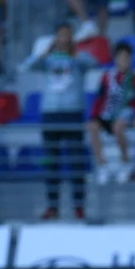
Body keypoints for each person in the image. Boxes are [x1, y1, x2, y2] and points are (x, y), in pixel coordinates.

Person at [19, 23, 99, 220]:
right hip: (50, 114)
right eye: (60, 36)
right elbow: (26, 66)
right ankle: (52, 207)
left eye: (67, 36)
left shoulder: (78, 60)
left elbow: (94, 63)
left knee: (76, 163)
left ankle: (79, 207)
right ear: (55, 38)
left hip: (73, 113)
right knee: (51, 162)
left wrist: (74, 52)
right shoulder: (47, 60)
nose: (63, 39)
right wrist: (46, 52)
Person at [87, 41, 135, 185]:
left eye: (127, 58)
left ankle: (125, 162)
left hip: (126, 111)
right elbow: (100, 98)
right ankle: (102, 165)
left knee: (118, 127)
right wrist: (93, 117)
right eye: (121, 58)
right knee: (93, 128)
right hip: (108, 112)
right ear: (115, 59)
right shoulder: (107, 77)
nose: (124, 61)